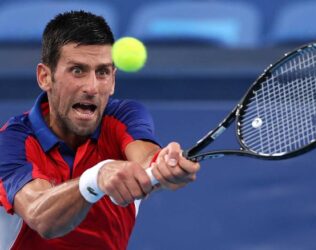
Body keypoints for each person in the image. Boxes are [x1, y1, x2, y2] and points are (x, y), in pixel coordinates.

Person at [0, 10, 200, 249]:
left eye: (102, 72)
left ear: (113, 80)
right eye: (77, 71)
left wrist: (164, 167)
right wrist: (96, 178)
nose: (92, 87)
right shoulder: (11, 142)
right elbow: (40, 217)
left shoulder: (123, 117)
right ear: (45, 77)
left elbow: (146, 158)